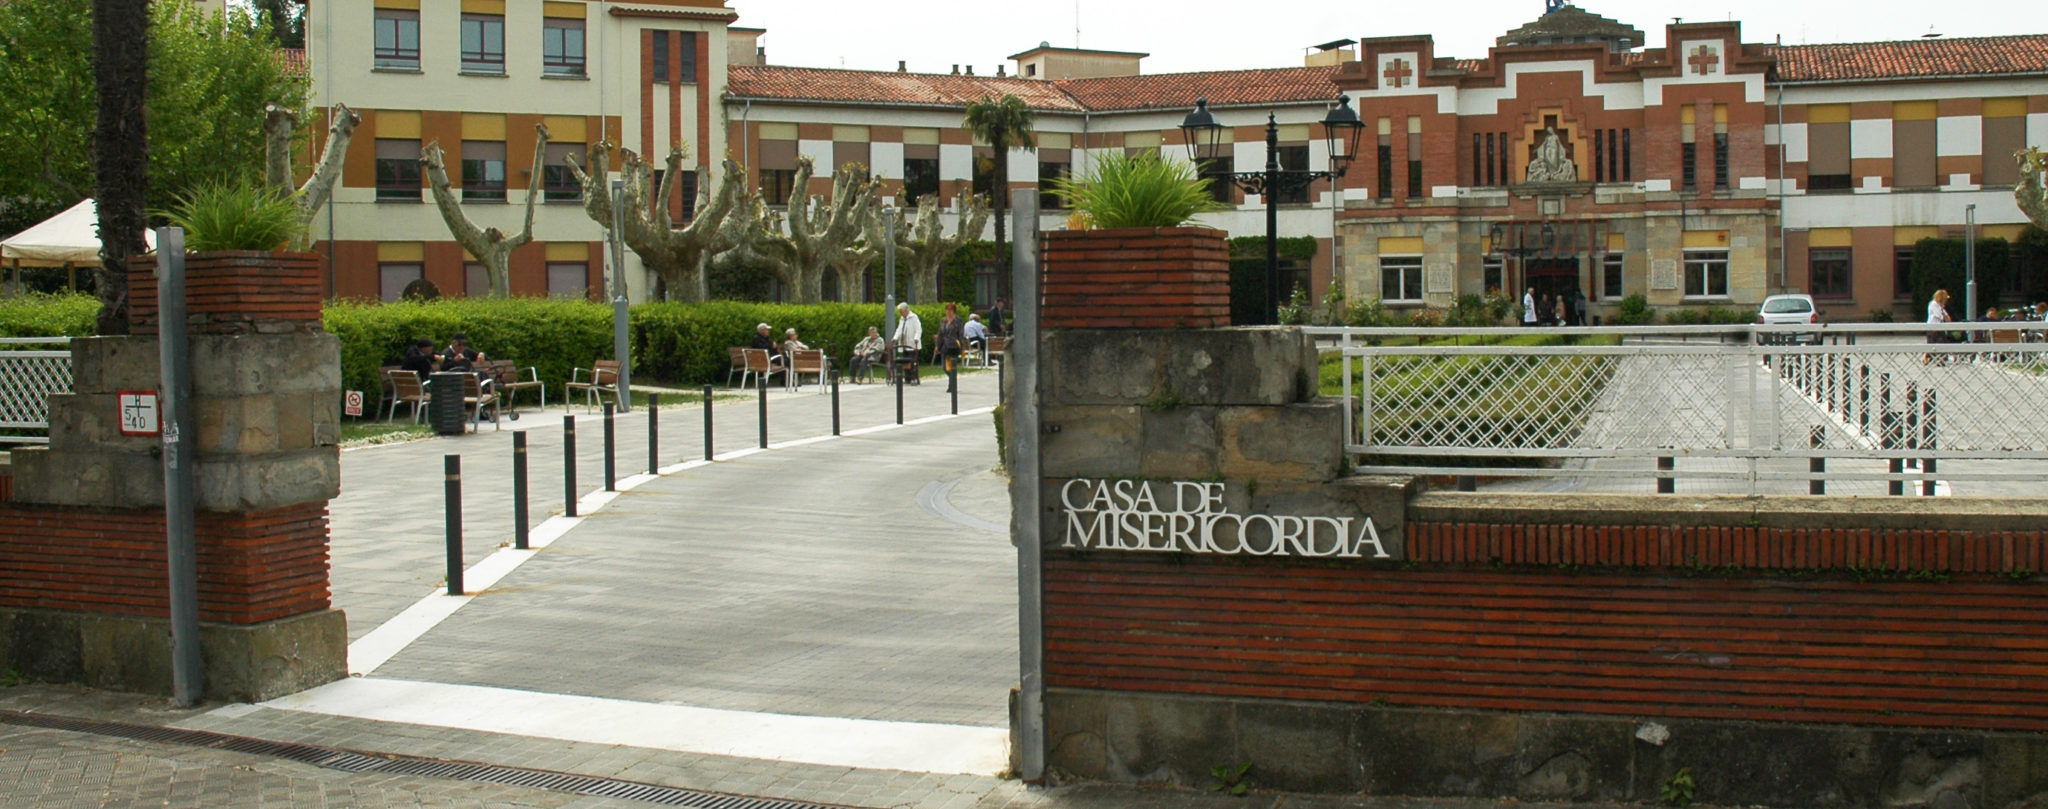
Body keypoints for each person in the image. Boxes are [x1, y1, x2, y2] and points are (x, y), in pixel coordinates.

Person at [936, 302, 966, 393]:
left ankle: (952, 385)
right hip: (944, 346)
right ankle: (953, 381)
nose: (948, 312)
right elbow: (940, 334)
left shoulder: (958, 321)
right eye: (947, 310)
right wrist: (937, 346)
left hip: (954, 346)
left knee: (952, 366)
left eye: (950, 310)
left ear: (954, 311)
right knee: (945, 367)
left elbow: (961, 334)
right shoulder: (943, 320)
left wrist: (962, 347)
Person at [891, 302, 923, 384]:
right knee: (905, 361)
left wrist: (916, 338)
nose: (900, 313)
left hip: (912, 344)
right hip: (904, 343)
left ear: (905, 310)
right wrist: (895, 338)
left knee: (912, 361)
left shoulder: (914, 317)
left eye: (901, 311)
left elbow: (918, 329)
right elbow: (899, 329)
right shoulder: (902, 319)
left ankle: (914, 377)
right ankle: (907, 377)